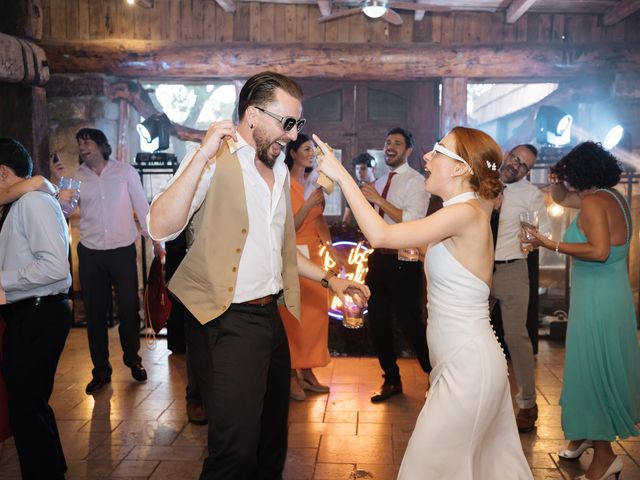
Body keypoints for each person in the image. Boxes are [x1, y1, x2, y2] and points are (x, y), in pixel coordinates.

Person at [147, 71, 369, 480]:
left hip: (270, 319)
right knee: (234, 453)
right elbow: (159, 226)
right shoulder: (214, 160)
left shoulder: (280, 169)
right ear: (252, 115)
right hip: (224, 320)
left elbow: (281, 251)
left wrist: (330, 280)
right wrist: (200, 154)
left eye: (298, 124)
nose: (293, 134)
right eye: (287, 123)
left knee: (271, 445)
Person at [314, 126, 533, 479]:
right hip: (457, 363)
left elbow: (382, 234)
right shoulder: (461, 212)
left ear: (461, 169)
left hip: (468, 367)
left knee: (424, 469)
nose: (427, 157)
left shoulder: (463, 213)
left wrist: (340, 174)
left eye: (439, 151)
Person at [525, 141, 639, 480]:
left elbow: (600, 250)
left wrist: (550, 243)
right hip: (611, 297)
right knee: (599, 368)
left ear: (581, 173)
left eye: (569, 172)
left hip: (596, 303)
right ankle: (587, 438)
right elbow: (562, 197)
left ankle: (605, 458)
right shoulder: (612, 197)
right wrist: (556, 177)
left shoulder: (592, 204)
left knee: (592, 374)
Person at [72, 128, 164, 395]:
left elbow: (142, 207)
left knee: (128, 308)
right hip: (90, 252)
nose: (83, 147)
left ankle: (133, 360)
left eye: (87, 142)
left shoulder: (125, 172)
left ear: (101, 145)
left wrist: (156, 241)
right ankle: (100, 370)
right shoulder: (76, 177)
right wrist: (59, 184)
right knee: (95, 313)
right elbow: (64, 211)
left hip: (122, 249)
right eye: (79, 144)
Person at [0, 138, 72, 479]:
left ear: (2, 172)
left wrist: (2, 281)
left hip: (38, 314)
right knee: (31, 408)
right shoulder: (25, 200)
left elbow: (55, 268)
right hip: (31, 312)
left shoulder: (32, 203)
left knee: (27, 409)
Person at [361, 127, 432, 403]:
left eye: (397, 143)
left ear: (408, 151)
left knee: (411, 322)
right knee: (378, 322)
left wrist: (378, 200)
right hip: (378, 258)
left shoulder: (416, 182)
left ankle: (434, 375)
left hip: (404, 260)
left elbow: (412, 221)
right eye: (388, 142)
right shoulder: (379, 181)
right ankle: (391, 380)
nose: (390, 146)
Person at [491, 144, 550, 432]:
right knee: (466, 330)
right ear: (506, 155)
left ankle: (527, 404)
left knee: (516, 337)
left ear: (528, 172)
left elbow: (544, 233)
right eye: (515, 158)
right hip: (476, 268)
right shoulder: (481, 181)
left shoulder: (530, 195)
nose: (516, 166)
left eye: (523, 165)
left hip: (512, 268)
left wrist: (531, 235)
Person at [280, 133, 334, 401]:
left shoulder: (315, 182)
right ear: (292, 153)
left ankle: (309, 370)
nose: (312, 153)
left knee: (316, 315)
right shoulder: (283, 183)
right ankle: (290, 375)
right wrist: (309, 202)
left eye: (313, 149)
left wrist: (330, 246)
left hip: (314, 253)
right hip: (293, 254)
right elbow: (288, 226)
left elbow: (318, 219)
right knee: (294, 317)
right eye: (306, 148)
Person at [342, 152, 376, 226]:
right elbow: (347, 215)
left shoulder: (382, 186)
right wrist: (343, 231)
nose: (359, 172)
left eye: (363, 168)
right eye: (357, 168)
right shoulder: (354, 190)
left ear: (373, 169)